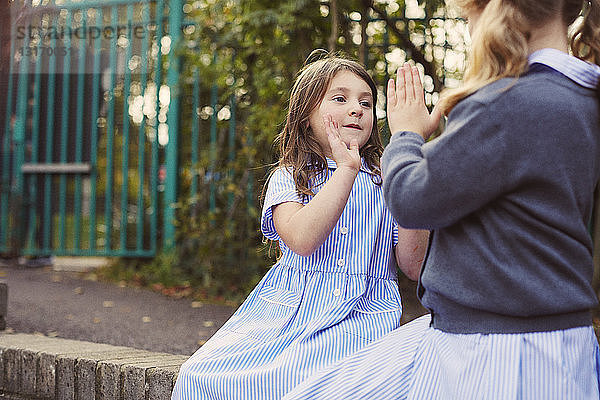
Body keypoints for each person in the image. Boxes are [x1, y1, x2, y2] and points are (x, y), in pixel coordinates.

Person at [284, 0, 600, 399]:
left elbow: (413, 199)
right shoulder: (582, 97)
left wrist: (406, 136)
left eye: (468, 18)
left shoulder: (503, 103)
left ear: (496, 10)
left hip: (497, 347)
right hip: (550, 337)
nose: (469, 30)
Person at [171, 52, 430, 400]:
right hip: (286, 318)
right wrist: (345, 171)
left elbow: (414, 266)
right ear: (307, 117)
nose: (357, 109)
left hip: (360, 319)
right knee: (197, 376)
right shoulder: (289, 177)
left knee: (323, 384)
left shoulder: (387, 181)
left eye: (366, 103)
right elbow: (302, 239)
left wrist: (411, 163)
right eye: (341, 98)